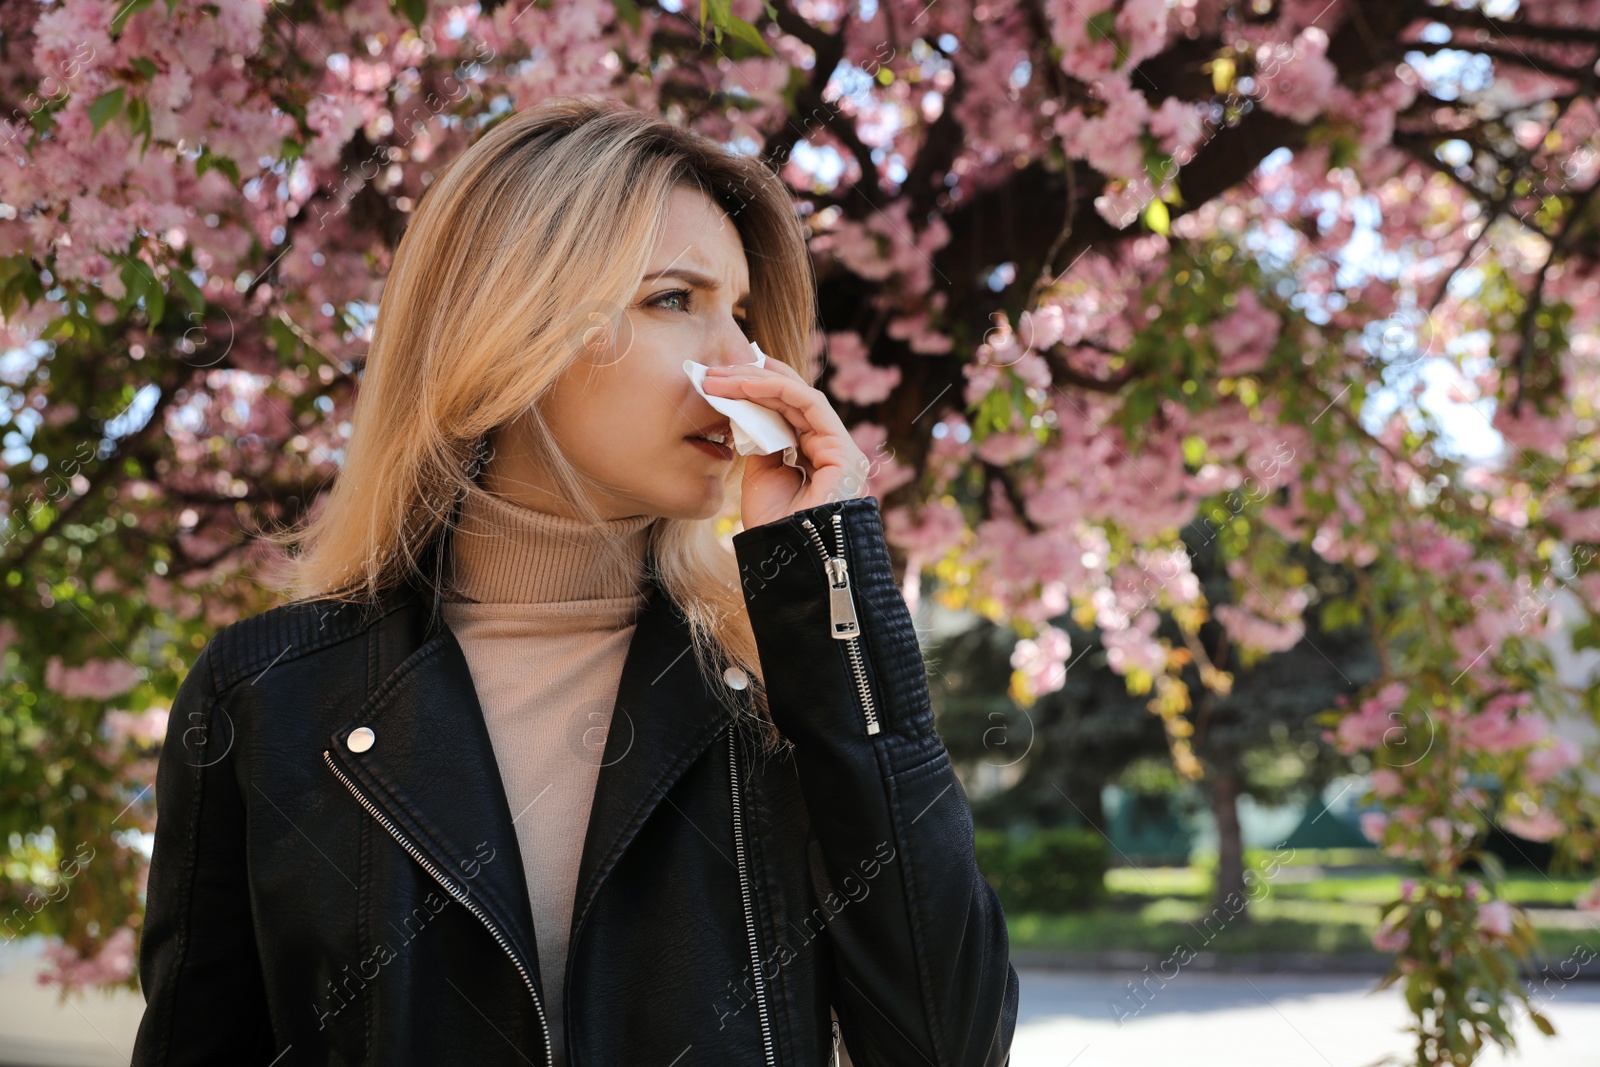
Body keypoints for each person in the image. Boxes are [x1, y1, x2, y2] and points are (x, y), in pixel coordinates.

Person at [131, 94, 1019, 1067]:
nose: (741, 361)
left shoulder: (783, 683)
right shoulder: (266, 695)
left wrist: (826, 588)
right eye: (673, 300)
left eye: (746, 315)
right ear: (507, 327)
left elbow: (948, 1042)